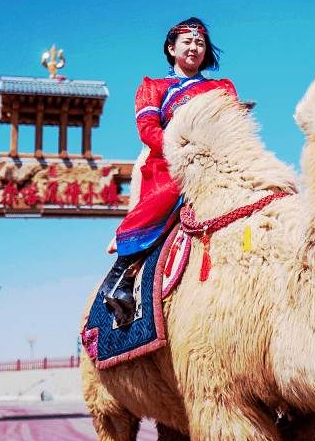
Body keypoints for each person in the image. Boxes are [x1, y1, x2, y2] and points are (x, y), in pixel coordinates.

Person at [102, 17, 238, 322]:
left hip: (218, 160)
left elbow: (233, 125)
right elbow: (148, 129)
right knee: (174, 187)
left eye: (200, 43)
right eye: (187, 42)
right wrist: (183, 149)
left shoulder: (221, 87)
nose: (194, 48)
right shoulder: (153, 88)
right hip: (171, 163)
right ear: (171, 47)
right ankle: (120, 275)